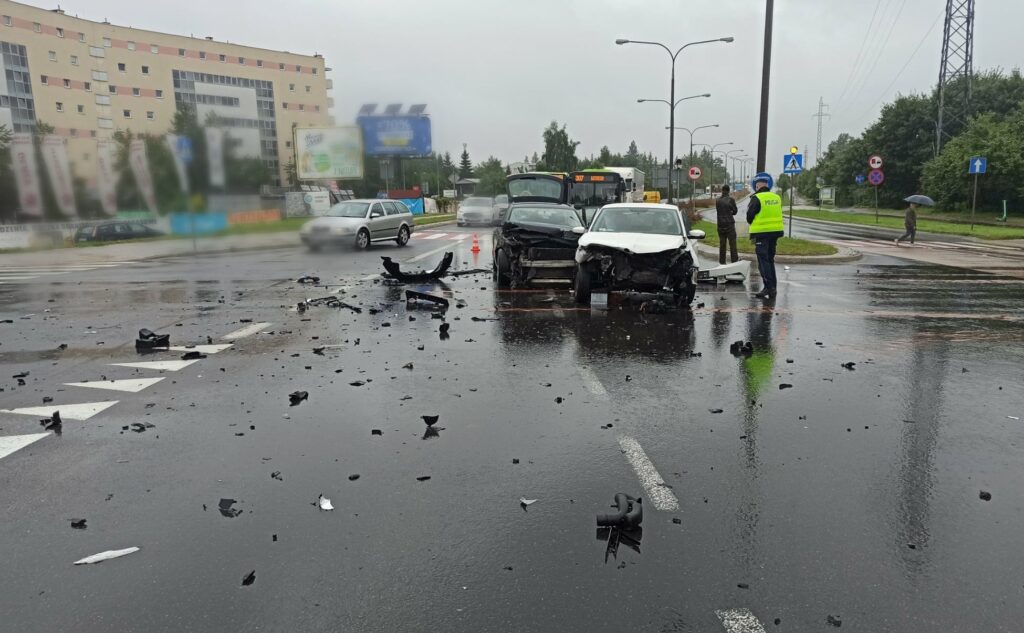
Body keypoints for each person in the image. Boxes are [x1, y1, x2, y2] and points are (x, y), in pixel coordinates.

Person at [746, 176, 784, 299]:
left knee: (763, 262)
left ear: (757, 186)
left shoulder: (757, 198)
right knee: (770, 259)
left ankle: (769, 287)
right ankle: (773, 287)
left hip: (762, 234)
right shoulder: (776, 197)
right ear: (768, 185)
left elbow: (749, 216)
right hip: (775, 233)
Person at [715, 184, 739, 264]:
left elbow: (718, 210)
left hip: (720, 225)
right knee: (733, 245)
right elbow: (735, 211)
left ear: (722, 190)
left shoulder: (717, 200)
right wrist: (730, 212)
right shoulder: (731, 200)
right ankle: (734, 262)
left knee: (722, 245)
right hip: (729, 225)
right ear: (728, 191)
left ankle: (722, 263)